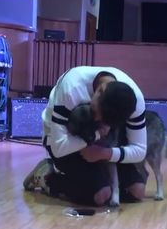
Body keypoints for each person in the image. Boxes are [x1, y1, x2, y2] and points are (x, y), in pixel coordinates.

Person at [23, 66, 148, 206]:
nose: (97, 120)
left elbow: (140, 150)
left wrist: (105, 153)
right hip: (63, 142)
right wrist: (97, 135)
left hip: (102, 146)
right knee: (101, 195)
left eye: (104, 121)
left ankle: (98, 178)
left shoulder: (134, 99)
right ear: (99, 90)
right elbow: (58, 147)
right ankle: (47, 178)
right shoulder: (72, 87)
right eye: (94, 112)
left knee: (137, 190)